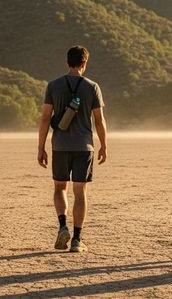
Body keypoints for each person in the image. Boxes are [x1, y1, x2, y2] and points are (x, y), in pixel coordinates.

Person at [37, 46, 107, 253]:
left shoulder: (53, 86)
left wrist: (41, 147)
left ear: (67, 61)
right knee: (80, 191)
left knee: (60, 188)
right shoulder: (92, 87)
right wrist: (103, 145)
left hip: (60, 146)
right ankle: (77, 240)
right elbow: (99, 120)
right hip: (84, 147)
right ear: (84, 63)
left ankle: (62, 226)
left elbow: (45, 119)